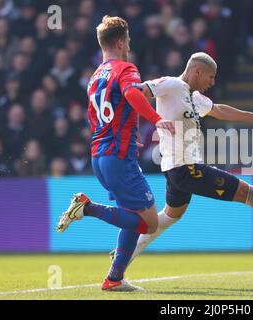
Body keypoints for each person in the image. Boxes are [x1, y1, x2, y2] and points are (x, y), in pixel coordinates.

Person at [120, 52, 253, 263]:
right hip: (185, 167)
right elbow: (136, 91)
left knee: (168, 217)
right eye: (211, 76)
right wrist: (146, 124)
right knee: (252, 196)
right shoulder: (171, 85)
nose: (213, 82)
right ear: (197, 72)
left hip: (177, 169)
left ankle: (123, 257)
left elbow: (220, 111)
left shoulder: (194, 97)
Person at [56, 15, 175, 292]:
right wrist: (156, 119)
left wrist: (127, 135)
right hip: (117, 157)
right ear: (121, 42)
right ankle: (87, 208)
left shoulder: (94, 77)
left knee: (131, 216)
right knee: (149, 222)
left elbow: (95, 118)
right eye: (129, 40)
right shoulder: (126, 69)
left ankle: (114, 278)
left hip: (101, 155)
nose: (130, 45)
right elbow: (134, 95)